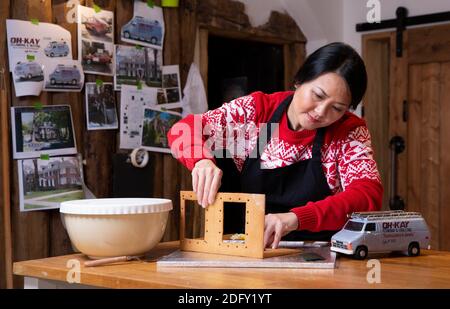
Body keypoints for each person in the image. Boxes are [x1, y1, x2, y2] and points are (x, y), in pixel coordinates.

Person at [167, 42, 383, 249]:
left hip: (322, 254)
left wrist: (295, 218)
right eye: (317, 95)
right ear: (299, 80)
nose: (321, 112)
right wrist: (201, 160)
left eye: (337, 108)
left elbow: (367, 195)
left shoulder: (347, 131)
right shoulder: (260, 114)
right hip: (252, 248)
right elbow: (182, 130)